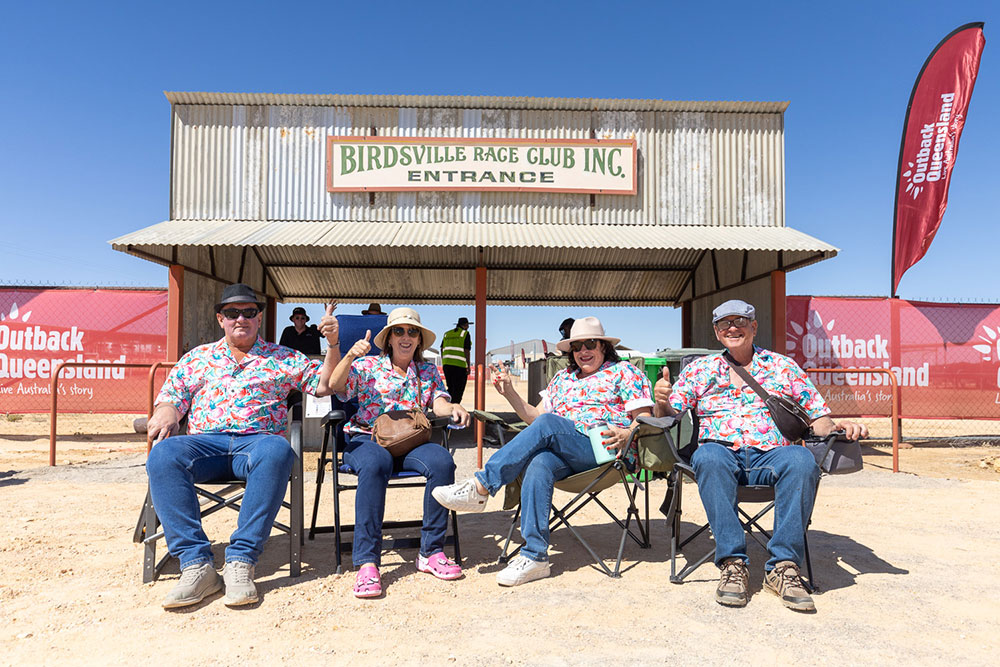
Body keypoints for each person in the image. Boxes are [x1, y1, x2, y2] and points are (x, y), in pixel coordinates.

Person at [653, 299, 868, 612]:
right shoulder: (701, 370)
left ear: (753, 327)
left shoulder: (783, 367)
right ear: (716, 332)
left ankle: (783, 568)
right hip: (722, 453)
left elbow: (818, 418)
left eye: (740, 321)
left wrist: (841, 426)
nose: (733, 328)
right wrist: (661, 401)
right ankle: (732, 564)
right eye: (725, 323)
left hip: (771, 454)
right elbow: (670, 415)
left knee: (802, 460)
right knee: (708, 456)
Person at [145, 284, 341, 609]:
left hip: (256, 445)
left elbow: (326, 385)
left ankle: (240, 561)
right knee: (164, 453)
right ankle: (197, 565)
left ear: (259, 317)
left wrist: (332, 344)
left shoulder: (283, 358)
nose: (241, 318)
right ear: (221, 318)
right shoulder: (198, 358)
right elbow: (171, 397)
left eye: (249, 312)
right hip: (204, 445)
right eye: (233, 313)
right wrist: (166, 410)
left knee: (278, 450)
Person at [433, 317, 653, 586]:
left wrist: (627, 433)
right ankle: (535, 556)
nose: (583, 350)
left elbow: (644, 418)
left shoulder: (624, 372)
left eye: (590, 344)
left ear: (604, 346)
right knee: (539, 462)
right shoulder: (562, 378)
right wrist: (510, 394)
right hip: (568, 453)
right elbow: (535, 416)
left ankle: (481, 486)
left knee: (549, 424)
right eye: (577, 346)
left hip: (606, 450)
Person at [327, 307, 471, 598]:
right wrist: (350, 355)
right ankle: (368, 562)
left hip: (410, 442)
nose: (406, 337)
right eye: (399, 331)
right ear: (388, 338)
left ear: (419, 340)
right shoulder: (368, 366)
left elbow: (439, 403)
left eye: (412, 331)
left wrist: (452, 407)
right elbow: (335, 385)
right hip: (365, 439)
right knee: (377, 462)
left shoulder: (428, 371)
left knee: (442, 461)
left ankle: (431, 552)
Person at [440, 316, 472, 404]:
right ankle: (454, 410)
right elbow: (466, 351)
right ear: (465, 325)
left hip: (447, 365)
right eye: (467, 325)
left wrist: (444, 361)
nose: (468, 327)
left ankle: (448, 408)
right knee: (458, 390)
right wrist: (468, 366)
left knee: (450, 388)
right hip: (459, 366)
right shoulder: (465, 334)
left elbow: (442, 348)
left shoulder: (447, 334)